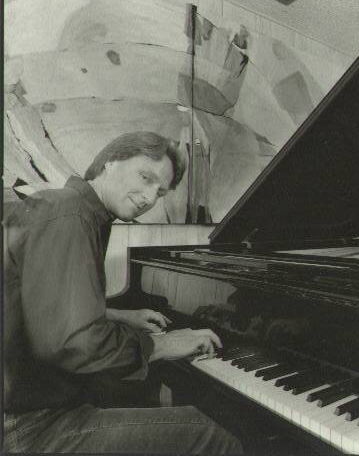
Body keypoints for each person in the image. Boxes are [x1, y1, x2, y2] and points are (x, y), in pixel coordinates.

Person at [3, 131, 243, 454]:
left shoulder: (68, 208)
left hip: (30, 412)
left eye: (160, 192)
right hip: (34, 427)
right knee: (212, 436)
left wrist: (117, 315)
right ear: (111, 161)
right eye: (145, 177)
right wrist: (162, 343)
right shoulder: (71, 216)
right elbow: (76, 344)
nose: (149, 197)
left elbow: (46, 308)